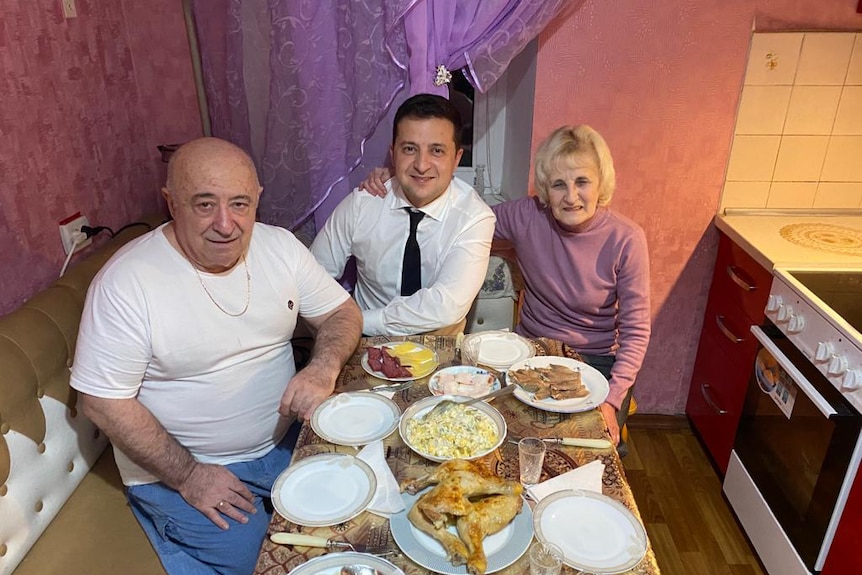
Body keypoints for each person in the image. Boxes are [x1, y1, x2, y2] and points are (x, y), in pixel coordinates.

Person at [70, 137, 362, 575]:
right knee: (265, 562)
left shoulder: (279, 246)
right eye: (205, 205)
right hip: (182, 469)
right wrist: (189, 476)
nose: (226, 224)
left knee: (356, 525)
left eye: (240, 204)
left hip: (285, 441)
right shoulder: (126, 283)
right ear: (171, 203)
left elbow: (342, 312)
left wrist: (322, 367)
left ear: (257, 200)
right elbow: (100, 401)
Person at [361, 125, 650, 450]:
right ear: (544, 188)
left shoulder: (626, 239)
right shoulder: (527, 215)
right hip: (531, 350)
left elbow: (636, 332)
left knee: (592, 449)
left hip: (594, 362)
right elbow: (464, 219)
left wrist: (612, 400)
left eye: (582, 182)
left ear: (601, 184)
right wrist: (400, 180)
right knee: (504, 441)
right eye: (558, 184)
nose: (571, 196)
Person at [310, 93, 495, 336]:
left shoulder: (474, 217)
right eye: (410, 149)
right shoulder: (363, 203)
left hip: (439, 343)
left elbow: (446, 306)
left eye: (436, 151)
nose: (421, 164)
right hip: (363, 343)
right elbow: (312, 277)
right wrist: (334, 324)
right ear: (393, 153)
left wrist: (354, 322)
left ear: (456, 158)